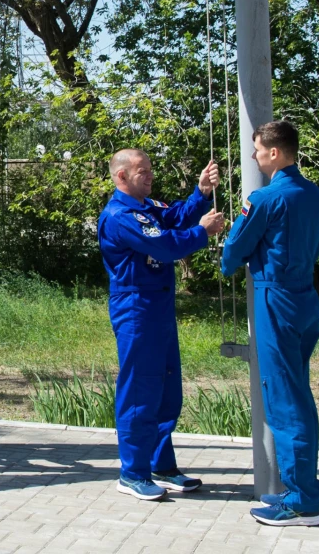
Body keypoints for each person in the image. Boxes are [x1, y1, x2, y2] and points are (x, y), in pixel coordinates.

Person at [98, 149, 223, 500]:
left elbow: (174, 217)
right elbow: (166, 245)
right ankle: (132, 473)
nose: (150, 176)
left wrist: (201, 193)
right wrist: (202, 232)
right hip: (136, 309)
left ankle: (161, 465)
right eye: (142, 171)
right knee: (140, 390)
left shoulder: (146, 208)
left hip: (159, 309)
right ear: (121, 176)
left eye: (150, 170)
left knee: (167, 390)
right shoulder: (120, 215)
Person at [221, 121, 319, 527]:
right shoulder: (314, 194)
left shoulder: (265, 197)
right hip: (305, 297)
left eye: (257, 150)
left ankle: (302, 501)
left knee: (284, 399)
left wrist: (227, 264)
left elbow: (236, 247)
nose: (254, 157)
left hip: (275, 299)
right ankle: (306, 491)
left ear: (274, 153)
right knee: (298, 392)